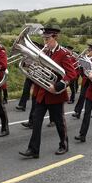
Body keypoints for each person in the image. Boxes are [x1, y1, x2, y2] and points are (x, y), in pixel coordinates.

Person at [20, 26, 77, 158]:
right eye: (44, 39)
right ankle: (33, 150)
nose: (45, 42)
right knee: (36, 121)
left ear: (55, 38)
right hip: (42, 92)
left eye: (47, 39)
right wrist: (28, 65)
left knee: (59, 122)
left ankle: (64, 144)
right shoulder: (43, 52)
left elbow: (71, 74)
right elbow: (38, 67)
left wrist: (58, 86)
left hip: (55, 94)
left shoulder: (63, 53)